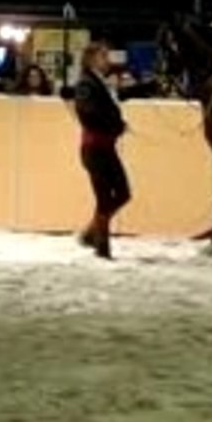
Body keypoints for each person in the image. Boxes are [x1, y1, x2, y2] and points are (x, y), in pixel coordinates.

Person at [73, 41, 131, 259]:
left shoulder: (97, 82)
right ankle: (102, 247)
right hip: (95, 149)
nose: (107, 60)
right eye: (103, 56)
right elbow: (88, 114)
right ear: (91, 59)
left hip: (105, 148)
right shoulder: (86, 84)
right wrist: (116, 125)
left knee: (123, 193)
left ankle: (91, 234)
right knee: (105, 199)